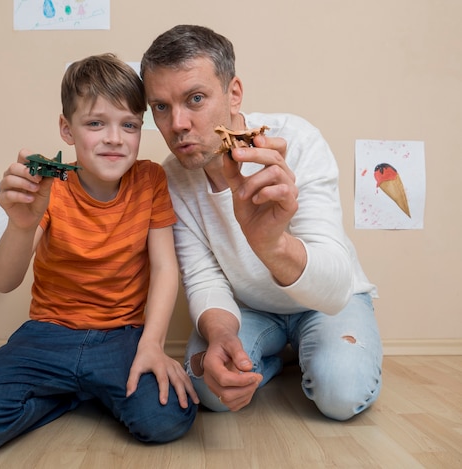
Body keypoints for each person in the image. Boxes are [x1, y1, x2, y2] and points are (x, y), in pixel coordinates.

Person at [0, 53, 198, 456]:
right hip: (47, 335)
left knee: (167, 418)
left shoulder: (150, 179)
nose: (114, 138)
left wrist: (152, 345)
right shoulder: (48, 185)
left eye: (129, 125)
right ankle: (74, 393)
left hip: (122, 337)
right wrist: (21, 225)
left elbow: (166, 268)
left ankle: (88, 387)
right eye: (96, 123)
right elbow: (4, 281)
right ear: (67, 129)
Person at [140, 25, 382, 420]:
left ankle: (312, 355)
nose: (178, 124)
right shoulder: (172, 179)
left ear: (233, 93)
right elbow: (203, 278)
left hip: (327, 305)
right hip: (249, 307)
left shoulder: (297, 141)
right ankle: (275, 362)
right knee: (208, 387)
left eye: (195, 99)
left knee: (341, 394)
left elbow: (336, 288)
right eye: (161, 107)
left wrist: (273, 244)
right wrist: (220, 335)